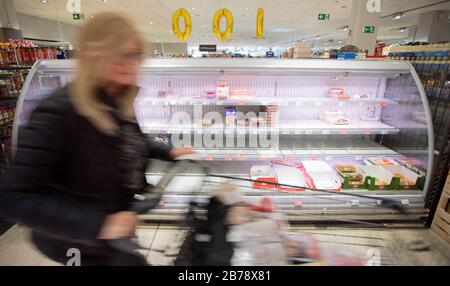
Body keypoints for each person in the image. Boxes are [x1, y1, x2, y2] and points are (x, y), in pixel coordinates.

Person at [0, 12, 193, 266]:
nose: (129, 62)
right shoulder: (59, 111)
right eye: (118, 52)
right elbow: (13, 197)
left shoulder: (117, 99)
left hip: (111, 236)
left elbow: (131, 141)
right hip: (74, 244)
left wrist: (169, 152)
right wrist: (102, 225)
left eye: (134, 54)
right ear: (95, 54)